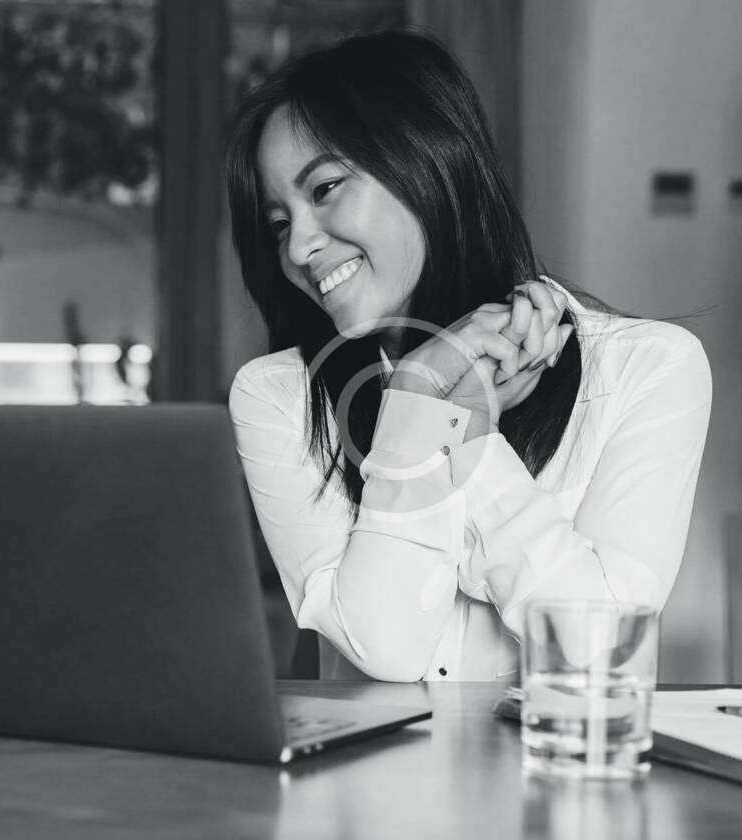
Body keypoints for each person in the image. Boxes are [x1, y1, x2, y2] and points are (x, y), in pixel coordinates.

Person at [224, 29, 712, 682]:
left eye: (326, 188)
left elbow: (600, 653)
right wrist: (417, 394)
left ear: (429, 163)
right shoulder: (276, 396)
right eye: (279, 222)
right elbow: (386, 652)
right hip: (373, 756)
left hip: (557, 752)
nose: (297, 247)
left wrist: (468, 436)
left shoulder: (647, 370)